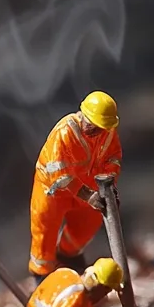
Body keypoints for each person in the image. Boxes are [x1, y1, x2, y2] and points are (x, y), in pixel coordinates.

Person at [29, 91, 122, 284]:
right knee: (44, 231)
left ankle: (69, 257)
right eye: (93, 126)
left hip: (87, 188)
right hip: (53, 190)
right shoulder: (65, 132)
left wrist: (109, 184)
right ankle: (43, 275)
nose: (97, 131)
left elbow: (113, 157)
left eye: (101, 127)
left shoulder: (107, 132)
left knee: (88, 224)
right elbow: (59, 173)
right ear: (83, 115)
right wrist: (88, 195)